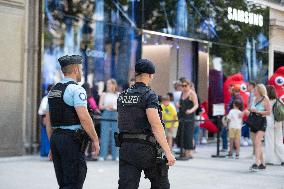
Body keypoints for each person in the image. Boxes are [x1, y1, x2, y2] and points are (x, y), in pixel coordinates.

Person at [117, 59, 175, 189]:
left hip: (126, 147)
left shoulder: (122, 95)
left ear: (136, 74)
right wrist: (168, 152)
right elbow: (156, 125)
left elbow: (122, 120)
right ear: (150, 75)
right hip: (147, 149)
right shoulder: (149, 95)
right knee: (161, 185)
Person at [45, 55, 100, 189]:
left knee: (64, 182)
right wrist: (95, 139)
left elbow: (48, 120)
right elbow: (84, 117)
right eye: (80, 69)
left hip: (56, 138)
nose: (81, 72)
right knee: (75, 181)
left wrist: (52, 143)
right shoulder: (77, 89)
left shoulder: (53, 91)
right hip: (71, 140)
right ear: (75, 69)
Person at [246, 84, 270, 171]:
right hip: (253, 122)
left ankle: (256, 163)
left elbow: (269, 112)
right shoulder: (253, 99)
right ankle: (262, 164)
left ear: (260, 90)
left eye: (255, 90)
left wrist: (258, 111)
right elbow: (249, 108)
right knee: (256, 144)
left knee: (257, 142)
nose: (254, 91)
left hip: (261, 122)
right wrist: (249, 110)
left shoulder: (265, 99)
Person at [177, 79, 199, 159]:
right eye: (182, 86)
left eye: (185, 85)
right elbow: (181, 103)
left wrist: (190, 111)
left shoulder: (192, 93)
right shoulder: (182, 93)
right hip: (182, 116)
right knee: (181, 133)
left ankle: (189, 152)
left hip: (189, 117)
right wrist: (178, 104)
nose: (184, 87)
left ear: (189, 86)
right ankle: (183, 151)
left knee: (188, 134)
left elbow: (196, 105)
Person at [98, 79, 119, 161]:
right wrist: (107, 106)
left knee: (115, 135)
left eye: (110, 84)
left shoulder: (118, 95)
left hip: (115, 114)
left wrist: (114, 107)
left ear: (114, 85)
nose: (108, 86)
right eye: (107, 84)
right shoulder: (104, 94)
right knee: (104, 135)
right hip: (106, 113)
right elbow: (100, 106)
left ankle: (115, 155)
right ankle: (103, 155)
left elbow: (121, 106)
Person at [265, 85, 284, 165]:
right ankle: (282, 158)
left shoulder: (266, 101)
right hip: (278, 122)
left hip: (269, 123)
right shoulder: (279, 100)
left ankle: (271, 160)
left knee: (270, 142)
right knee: (279, 142)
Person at [222, 84, 244, 152]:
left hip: (233, 120)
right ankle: (233, 150)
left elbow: (238, 109)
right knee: (232, 136)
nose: (229, 90)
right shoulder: (234, 97)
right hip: (232, 118)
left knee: (229, 135)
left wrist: (228, 117)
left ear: (234, 90)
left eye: (231, 89)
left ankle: (230, 150)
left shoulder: (237, 98)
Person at [38, 84, 53, 157]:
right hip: (45, 118)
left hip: (51, 118)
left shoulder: (52, 98)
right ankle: (46, 152)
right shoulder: (45, 98)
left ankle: (48, 151)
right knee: (45, 135)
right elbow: (43, 109)